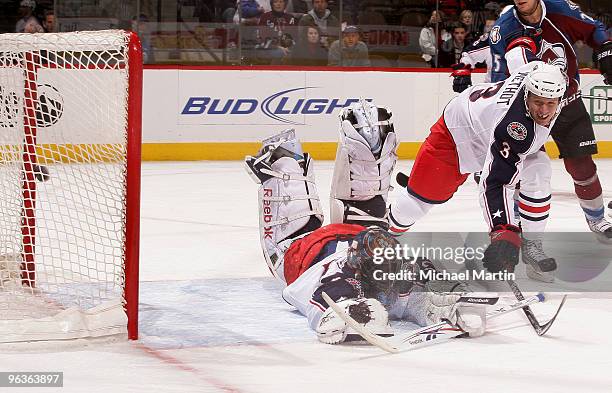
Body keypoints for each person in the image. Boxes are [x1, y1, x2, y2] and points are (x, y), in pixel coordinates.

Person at [244, 104, 488, 344]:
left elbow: (428, 278)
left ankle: (357, 141)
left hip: (354, 235)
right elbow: (305, 296)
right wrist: (347, 312)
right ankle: (283, 158)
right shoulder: (337, 278)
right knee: (283, 164)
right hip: (299, 250)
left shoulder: (402, 265)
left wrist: (452, 297)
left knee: (366, 143)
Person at [389, 62, 567, 282]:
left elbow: (543, 62)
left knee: (539, 168)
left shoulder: (542, 74)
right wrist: (504, 233)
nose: (544, 111)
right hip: (457, 136)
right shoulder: (515, 126)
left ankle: (532, 246)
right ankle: (381, 236)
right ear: (526, 95)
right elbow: (495, 183)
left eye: (551, 103)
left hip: (490, 130)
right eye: (538, 102)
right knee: (416, 204)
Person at [487, 0, 612, 243]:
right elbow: (503, 73)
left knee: (582, 165)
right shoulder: (505, 28)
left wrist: (606, 48)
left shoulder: (560, 9)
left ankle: (597, 219)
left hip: (567, 101)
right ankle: (519, 224)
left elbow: (594, 29)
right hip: (528, 108)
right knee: (524, 170)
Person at [451, 11, 500, 91]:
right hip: (493, 89)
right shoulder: (490, 39)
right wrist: (464, 69)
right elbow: (468, 53)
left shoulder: (526, 34)